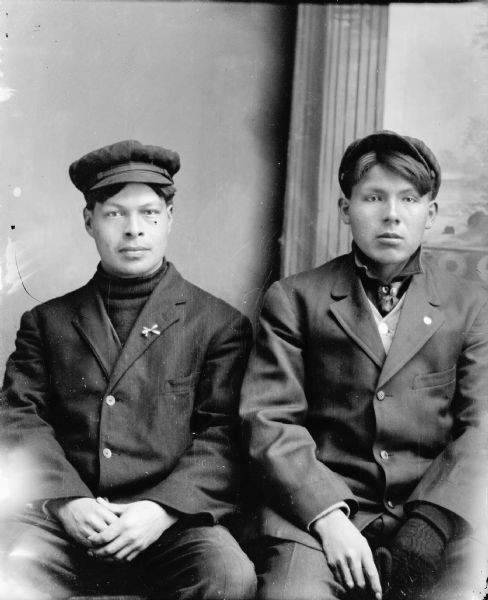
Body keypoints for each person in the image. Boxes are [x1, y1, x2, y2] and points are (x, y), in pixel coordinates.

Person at [0, 140, 256, 600]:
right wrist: (65, 501)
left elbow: (224, 437)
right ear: (89, 221)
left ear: (170, 218)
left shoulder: (218, 324)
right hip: (65, 522)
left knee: (227, 576)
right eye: (115, 214)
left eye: (149, 214)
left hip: (170, 527)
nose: (134, 230)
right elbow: (19, 418)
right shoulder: (47, 321)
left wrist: (162, 510)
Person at [240, 131, 488, 600]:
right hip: (318, 518)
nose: (391, 214)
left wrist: (432, 521)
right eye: (374, 197)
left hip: (435, 516)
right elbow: (269, 421)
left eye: (409, 199)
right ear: (345, 209)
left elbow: (484, 426)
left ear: (430, 214)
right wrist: (329, 519)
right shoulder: (295, 299)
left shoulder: (472, 305)